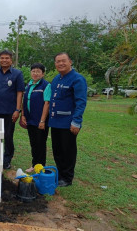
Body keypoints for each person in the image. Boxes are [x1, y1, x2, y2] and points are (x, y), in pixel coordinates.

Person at [49, 52, 87, 187]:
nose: (61, 64)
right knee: (57, 150)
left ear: (70, 61)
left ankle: (67, 178)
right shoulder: (56, 79)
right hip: (55, 122)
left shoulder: (77, 79)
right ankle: (60, 174)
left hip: (68, 123)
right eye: (58, 61)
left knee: (68, 151)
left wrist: (76, 121)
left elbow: (81, 102)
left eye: (63, 61)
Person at [0, 50, 25, 169]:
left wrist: (17, 110)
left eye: (7, 58)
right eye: (2, 58)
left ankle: (7, 159)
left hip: (10, 112)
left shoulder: (17, 74)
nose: (4, 60)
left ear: (11, 60)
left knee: (8, 136)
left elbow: (19, 93)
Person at [20, 63, 51, 173]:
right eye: (33, 71)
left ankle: (40, 167)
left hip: (40, 121)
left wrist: (42, 121)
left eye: (38, 71)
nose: (35, 73)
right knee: (33, 143)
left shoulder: (46, 85)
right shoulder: (29, 85)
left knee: (40, 144)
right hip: (30, 120)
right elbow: (24, 101)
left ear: (43, 74)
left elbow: (47, 104)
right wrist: (23, 115)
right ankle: (34, 165)